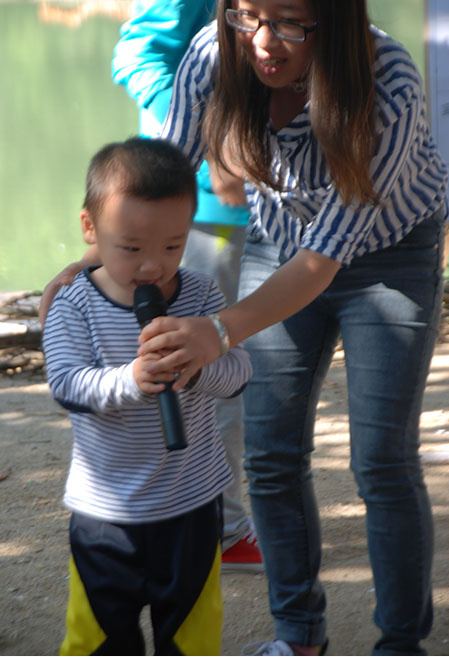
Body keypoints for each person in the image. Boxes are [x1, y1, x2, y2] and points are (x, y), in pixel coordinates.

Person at [134, 1, 449, 655]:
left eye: (288, 21)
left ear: (331, 18)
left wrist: (217, 330)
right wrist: (97, 255)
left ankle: (400, 641)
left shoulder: (386, 80)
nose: (263, 41)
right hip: (281, 239)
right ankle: (298, 635)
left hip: (389, 253)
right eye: (247, 15)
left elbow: (321, 261)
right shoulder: (215, 54)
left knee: (381, 459)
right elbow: (159, 180)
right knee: (272, 455)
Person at [42, 137, 252, 656]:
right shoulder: (74, 307)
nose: (152, 266)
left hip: (194, 506)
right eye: (131, 248)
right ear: (90, 229)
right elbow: (67, 384)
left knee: (191, 636)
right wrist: (131, 380)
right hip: (105, 514)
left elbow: (239, 373)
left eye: (172, 247)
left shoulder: (202, 295)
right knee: (99, 638)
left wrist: (201, 367)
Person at [111, 0, 264, 571]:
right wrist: (215, 142)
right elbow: (136, 54)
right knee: (204, 358)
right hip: (204, 210)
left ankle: (219, 518)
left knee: (245, 366)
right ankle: (222, 528)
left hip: (275, 209)